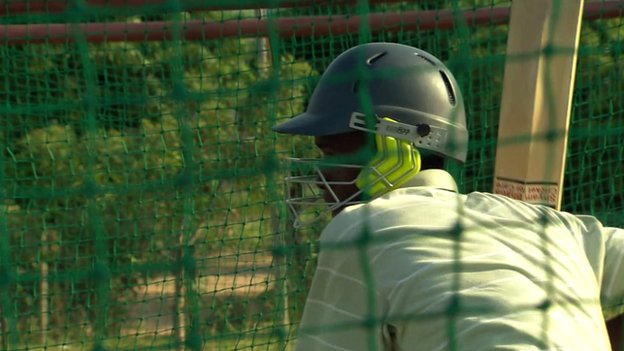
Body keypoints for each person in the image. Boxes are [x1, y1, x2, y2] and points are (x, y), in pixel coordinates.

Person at [272, 42, 624, 350]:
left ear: (391, 146)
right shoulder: (551, 226)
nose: (320, 176)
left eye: (331, 152)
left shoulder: (359, 230)